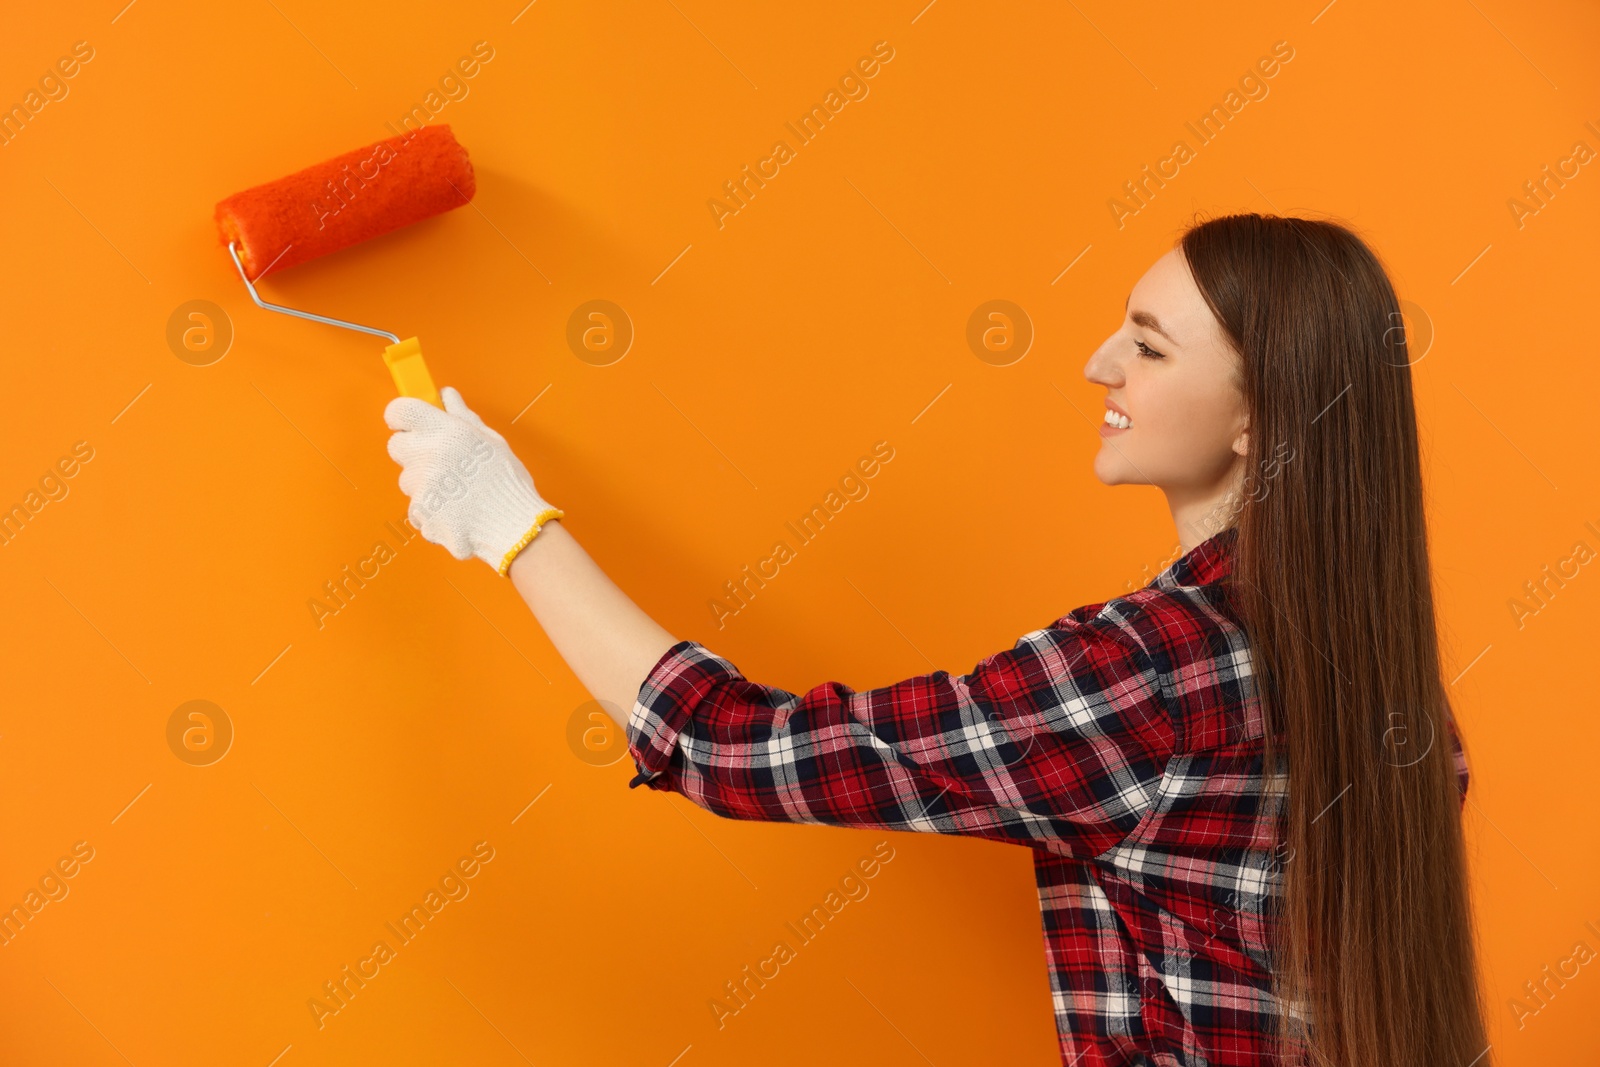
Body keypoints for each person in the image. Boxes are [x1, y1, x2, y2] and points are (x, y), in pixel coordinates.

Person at [383, 212, 1489, 1067]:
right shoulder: (1386, 675)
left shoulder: (1153, 672)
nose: (1099, 365)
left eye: (1147, 348)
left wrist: (508, 522)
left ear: (1260, 417)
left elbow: (735, 749)